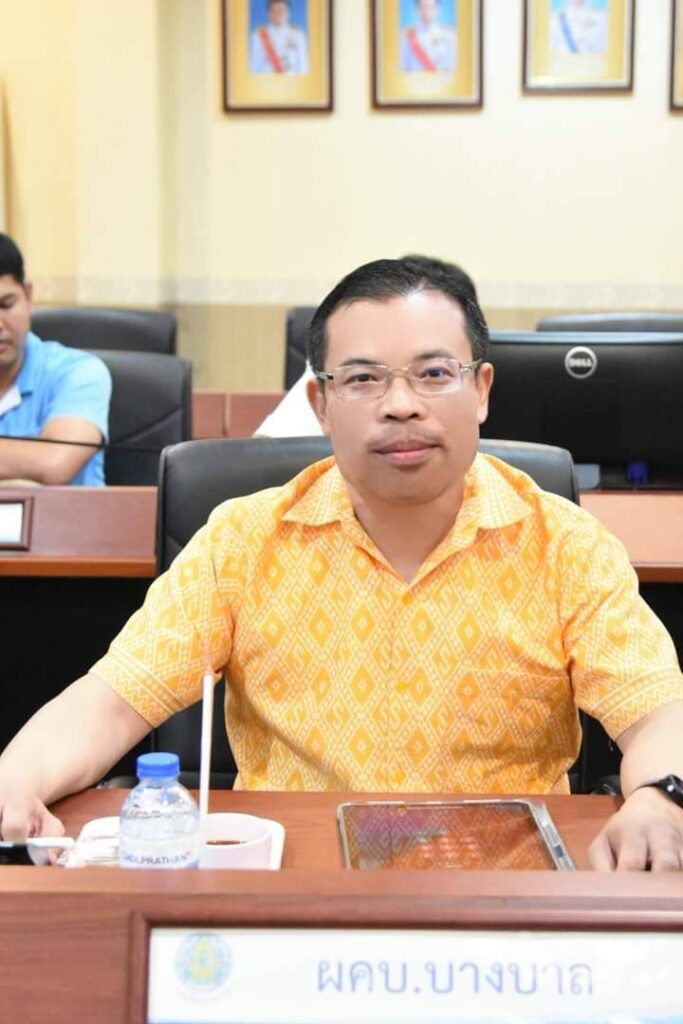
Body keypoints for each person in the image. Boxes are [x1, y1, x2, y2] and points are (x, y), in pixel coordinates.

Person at [1, 255, 683, 873]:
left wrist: (660, 797)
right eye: (362, 379)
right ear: (321, 404)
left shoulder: (565, 545)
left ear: (480, 389)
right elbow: (112, 702)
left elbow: (656, 711)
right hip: (296, 888)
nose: (401, 404)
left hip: (504, 891)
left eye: (433, 374)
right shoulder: (244, 539)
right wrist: (16, 778)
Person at [0, 233, 111, 486]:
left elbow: (52, 463)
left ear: (28, 295)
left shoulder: (79, 372)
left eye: (6, 305)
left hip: (69, 514)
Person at [249, 0, 309, 75]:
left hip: (292, 80)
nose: (278, 14)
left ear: (288, 13)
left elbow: (303, 67)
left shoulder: (298, 35)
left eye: (281, 10)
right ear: (268, 13)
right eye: (274, 10)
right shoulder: (258, 35)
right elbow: (253, 67)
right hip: (266, 80)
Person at [400, 0, 458, 74]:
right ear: (417, 8)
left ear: (437, 8)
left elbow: (452, 69)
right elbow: (402, 69)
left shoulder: (449, 37)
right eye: (423, 7)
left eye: (430, 7)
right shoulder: (406, 38)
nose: (426, 11)